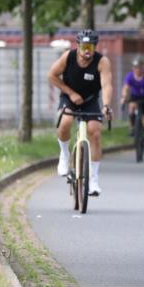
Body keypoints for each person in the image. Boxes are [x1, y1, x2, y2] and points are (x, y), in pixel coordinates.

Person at [47, 29, 113, 196]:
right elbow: (52, 75)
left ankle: (93, 181)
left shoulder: (101, 61)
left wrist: (106, 105)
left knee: (95, 133)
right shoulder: (68, 57)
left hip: (90, 100)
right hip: (69, 98)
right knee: (66, 123)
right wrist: (70, 93)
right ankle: (64, 154)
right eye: (84, 46)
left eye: (90, 47)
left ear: (95, 47)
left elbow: (106, 85)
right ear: (78, 46)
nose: (86, 51)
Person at [121, 57, 144, 148]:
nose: (137, 69)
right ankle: (132, 128)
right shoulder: (130, 76)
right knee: (131, 107)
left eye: (139, 67)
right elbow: (126, 87)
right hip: (135, 97)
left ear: (143, 67)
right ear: (133, 68)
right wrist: (124, 97)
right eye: (135, 67)